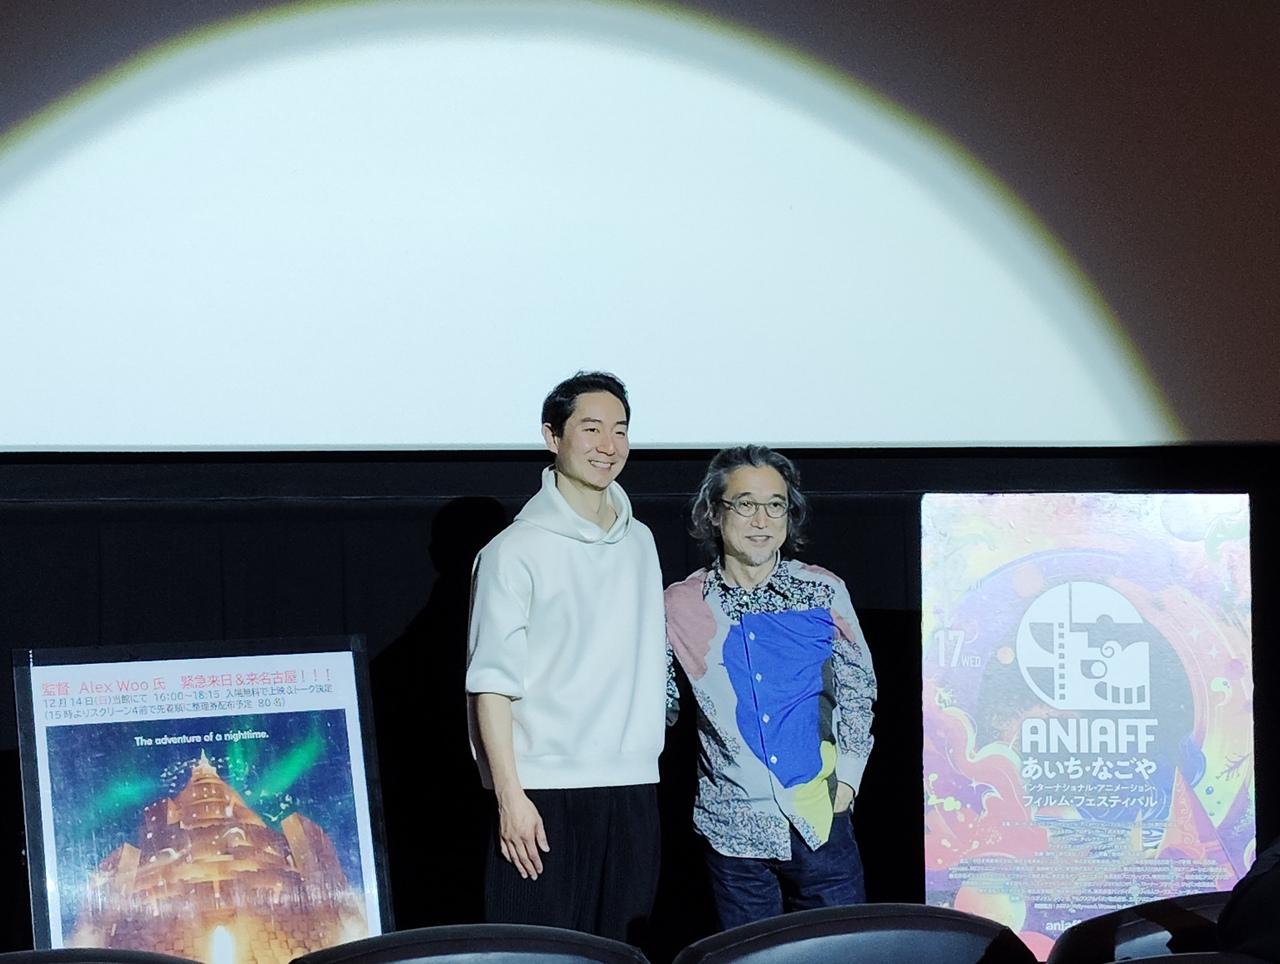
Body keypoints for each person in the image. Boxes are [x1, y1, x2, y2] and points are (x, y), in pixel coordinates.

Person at [465, 371, 667, 942]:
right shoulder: (512, 551)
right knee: (537, 950)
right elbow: (491, 684)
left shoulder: (641, 541)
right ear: (552, 437)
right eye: (592, 428)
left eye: (620, 430)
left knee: (623, 948)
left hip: (632, 787)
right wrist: (510, 798)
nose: (609, 445)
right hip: (543, 791)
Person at [664, 445, 877, 930]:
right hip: (733, 830)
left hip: (821, 823)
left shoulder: (822, 590)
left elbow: (857, 688)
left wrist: (848, 782)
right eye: (745, 504)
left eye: (775, 505)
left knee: (840, 951)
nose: (761, 520)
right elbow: (660, 703)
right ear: (714, 512)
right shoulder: (680, 603)